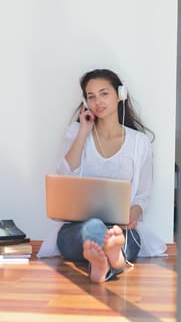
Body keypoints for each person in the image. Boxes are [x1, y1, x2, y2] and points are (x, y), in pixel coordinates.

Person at [38, 68, 167, 282]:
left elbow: (143, 196)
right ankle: (114, 260)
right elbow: (65, 174)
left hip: (121, 228)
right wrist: (83, 132)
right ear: (85, 102)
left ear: (120, 94)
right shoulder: (76, 132)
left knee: (121, 236)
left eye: (104, 93)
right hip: (77, 229)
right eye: (91, 96)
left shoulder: (139, 143)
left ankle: (105, 264)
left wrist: (132, 216)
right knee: (93, 228)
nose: (98, 101)